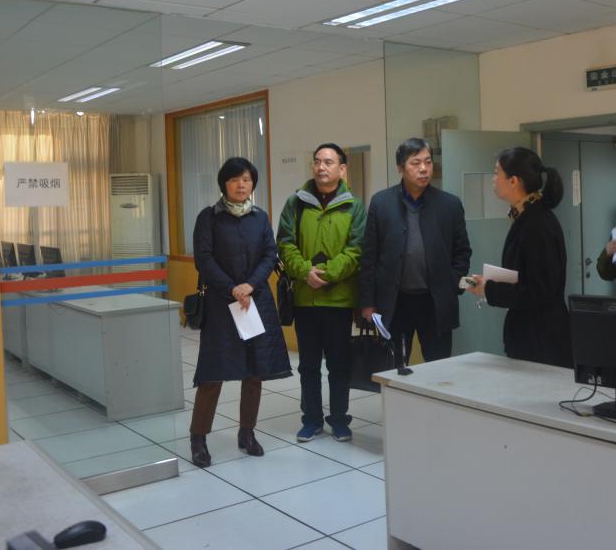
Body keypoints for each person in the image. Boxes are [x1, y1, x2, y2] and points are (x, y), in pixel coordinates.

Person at [188, 157, 292, 466]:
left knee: (254, 371)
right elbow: (203, 259)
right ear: (224, 184)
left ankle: (247, 432)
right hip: (222, 304)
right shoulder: (209, 218)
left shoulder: (260, 217)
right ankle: (198, 438)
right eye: (235, 179)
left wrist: (249, 285)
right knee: (212, 374)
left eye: (246, 179)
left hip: (254, 301)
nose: (241, 184)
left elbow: (270, 255)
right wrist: (233, 288)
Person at [276, 143, 366, 443]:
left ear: (342, 168)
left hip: (339, 300)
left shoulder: (354, 206)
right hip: (305, 298)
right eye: (317, 161)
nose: (321, 167)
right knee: (309, 365)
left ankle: (339, 419)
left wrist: (326, 274)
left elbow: (357, 250)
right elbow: (284, 244)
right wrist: (305, 271)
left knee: (339, 365)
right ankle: (311, 419)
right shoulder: (296, 203)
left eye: (328, 162)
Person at [359, 138, 472, 365]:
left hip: (435, 301)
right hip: (395, 302)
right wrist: (367, 302)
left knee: (439, 366)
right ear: (400, 167)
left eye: (428, 162)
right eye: (416, 163)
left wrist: (451, 285)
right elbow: (369, 257)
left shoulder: (449, 204)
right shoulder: (381, 203)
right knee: (395, 366)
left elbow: (462, 252)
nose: (423, 168)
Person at [468, 148, 573, 368]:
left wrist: (489, 289)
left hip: (541, 339)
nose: (493, 179)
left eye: (497, 173)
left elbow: (538, 292)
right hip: (532, 334)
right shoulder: (527, 217)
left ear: (513, 181)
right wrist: (490, 285)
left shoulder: (537, 224)